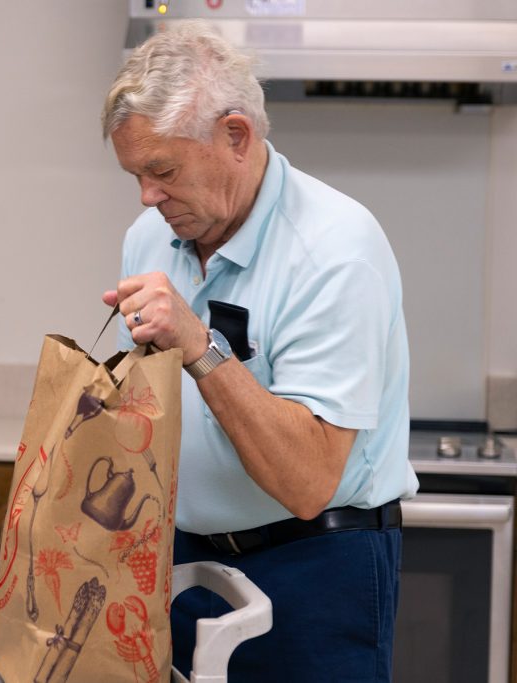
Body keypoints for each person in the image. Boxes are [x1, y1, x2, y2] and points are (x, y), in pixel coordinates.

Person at [100, 21, 417, 683]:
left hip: (316, 567)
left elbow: (306, 482)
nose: (147, 197)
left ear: (236, 136)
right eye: (136, 174)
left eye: (162, 170)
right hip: (181, 562)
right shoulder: (149, 238)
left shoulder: (336, 250)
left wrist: (197, 344)